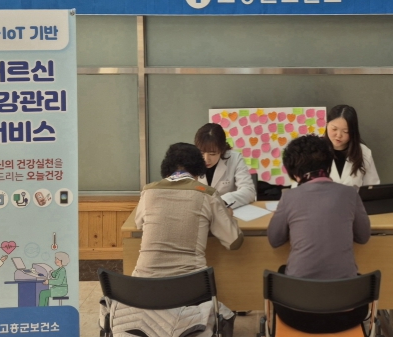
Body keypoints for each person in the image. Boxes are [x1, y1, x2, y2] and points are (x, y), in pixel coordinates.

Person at [122, 142, 243, 336]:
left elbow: (139, 225)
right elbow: (234, 241)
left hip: (144, 289)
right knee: (225, 313)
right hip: (191, 291)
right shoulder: (207, 194)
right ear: (199, 168)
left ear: (166, 167)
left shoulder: (149, 191)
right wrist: (227, 216)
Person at [268, 135, 371, 333]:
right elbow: (363, 236)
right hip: (348, 311)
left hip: (296, 313)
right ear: (329, 163)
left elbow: (275, 240)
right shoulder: (350, 194)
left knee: (282, 272)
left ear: (294, 172)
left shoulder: (289, 197)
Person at [195, 123, 256, 208]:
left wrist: (221, 201)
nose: (206, 159)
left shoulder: (235, 158)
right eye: (201, 153)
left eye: (212, 154)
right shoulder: (190, 159)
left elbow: (249, 192)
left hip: (227, 211)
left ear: (222, 150)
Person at [324, 105, 380, 187]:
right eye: (334, 129)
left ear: (353, 132)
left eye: (346, 131)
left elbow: (371, 186)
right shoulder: (314, 151)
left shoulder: (363, 152)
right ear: (327, 125)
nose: (339, 135)